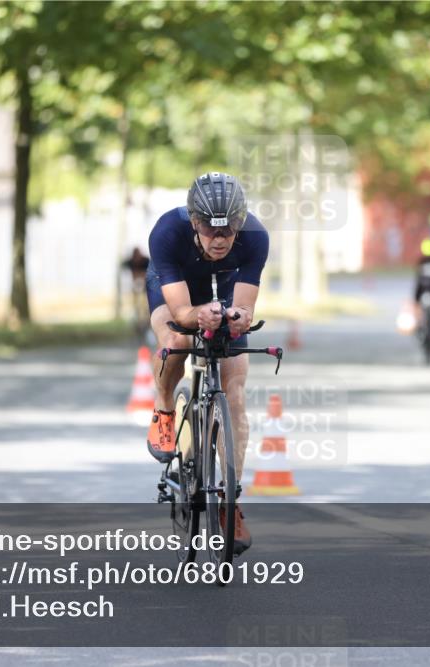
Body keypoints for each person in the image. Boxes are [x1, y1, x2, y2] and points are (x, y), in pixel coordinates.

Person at [144, 172, 268, 554]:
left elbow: (245, 307)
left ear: (240, 224)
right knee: (178, 340)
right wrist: (200, 314)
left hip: (227, 287)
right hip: (178, 287)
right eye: (211, 229)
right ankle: (164, 408)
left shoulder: (255, 237)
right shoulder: (167, 232)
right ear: (194, 222)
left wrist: (238, 318)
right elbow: (181, 312)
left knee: (235, 393)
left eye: (229, 230)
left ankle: (231, 503)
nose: (220, 238)